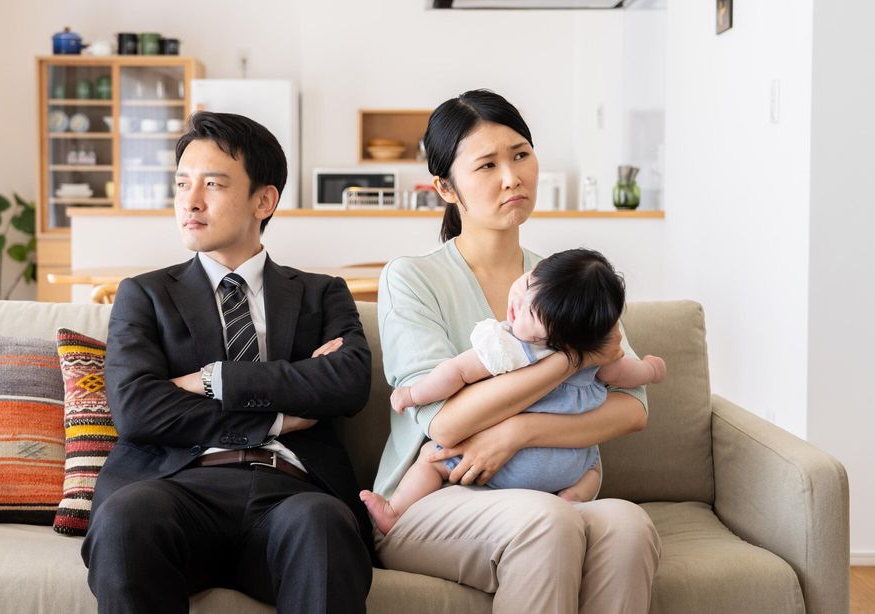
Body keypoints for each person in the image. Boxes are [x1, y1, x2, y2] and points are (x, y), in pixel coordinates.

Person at [371, 89, 662, 613]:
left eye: (521, 154)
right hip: (436, 498)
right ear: (445, 187)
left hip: (545, 491)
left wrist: (518, 431)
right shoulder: (411, 278)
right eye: (486, 165)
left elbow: (632, 407)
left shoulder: (566, 279)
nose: (512, 177)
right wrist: (571, 359)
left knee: (628, 524)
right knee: (544, 522)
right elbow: (444, 424)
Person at [81, 111, 374, 614]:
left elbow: (346, 384)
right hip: (174, 487)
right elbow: (137, 408)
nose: (190, 202)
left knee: (322, 524)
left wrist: (212, 379)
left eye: (212, 184)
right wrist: (279, 414)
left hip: (293, 492)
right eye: (182, 185)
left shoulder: (321, 294)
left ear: (264, 199)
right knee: (127, 518)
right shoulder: (144, 294)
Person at [361, 249, 667, 534]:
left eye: (531, 314)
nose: (518, 302)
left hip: (505, 468)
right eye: (529, 282)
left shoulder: (506, 345)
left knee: (431, 457)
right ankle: (572, 499)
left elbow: (455, 373)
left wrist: (413, 395)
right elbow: (626, 373)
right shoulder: (592, 341)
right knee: (593, 466)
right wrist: (651, 370)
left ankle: (397, 511)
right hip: (568, 466)